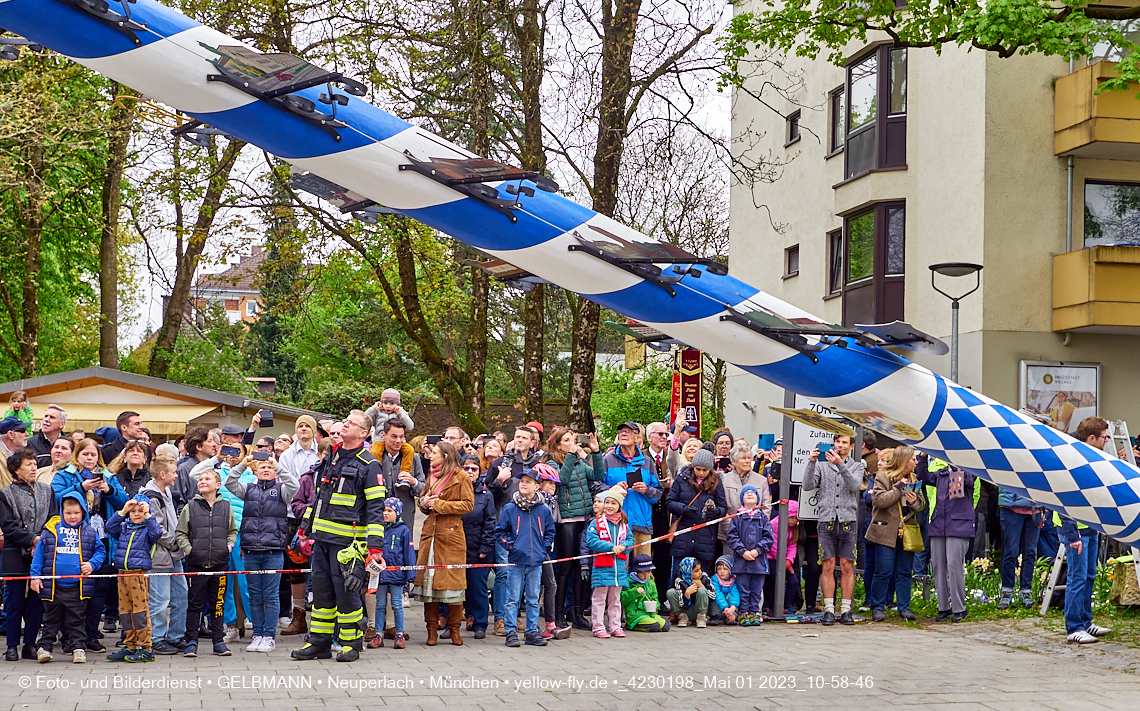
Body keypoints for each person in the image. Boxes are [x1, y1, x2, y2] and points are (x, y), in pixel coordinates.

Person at [292, 411, 384, 662]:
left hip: (348, 543)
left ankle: (350, 644)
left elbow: (376, 508)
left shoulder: (369, 464)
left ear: (363, 434)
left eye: (352, 423)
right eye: (345, 421)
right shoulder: (331, 457)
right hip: (321, 540)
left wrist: (374, 548)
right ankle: (319, 643)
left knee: (347, 593)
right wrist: (304, 529)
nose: (345, 425)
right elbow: (319, 497)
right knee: (321, 594)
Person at [51, 437, 128, 652]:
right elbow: (54, 498)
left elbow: (124, 503)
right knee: (72, 589)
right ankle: (69, 637)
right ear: (77, 455)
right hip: (72, 538)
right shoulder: (65, 474)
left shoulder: (109, 476)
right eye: (85, 454)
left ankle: (92, 635)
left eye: (93, 454)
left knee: (98, 589)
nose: (89, 458)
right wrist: (80, 487)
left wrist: (109, 490)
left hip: (101, 538)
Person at [224, 452, 298, 653]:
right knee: (255, 594)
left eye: (269, 467)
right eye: (262, 467)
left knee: (271, 595)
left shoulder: (282, 490)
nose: (266, 470)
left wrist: (279, 466)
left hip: (273, 550)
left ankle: (269, 636)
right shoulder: (248, 490)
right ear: (255, 471)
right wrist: (242, 464)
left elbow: (295, 485)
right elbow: (230, 483)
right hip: (250, 550)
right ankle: (257, 634)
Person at [30, 493, 105, 663]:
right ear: (61, 512)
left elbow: (100, 551)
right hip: (52, 587)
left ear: (83, 512)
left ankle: (78, 648)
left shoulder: (89, 532)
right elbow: (39, 556)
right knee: (50, 620)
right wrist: (35, 577)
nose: (72, 517)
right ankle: (44, 648)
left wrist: (92, 564)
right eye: (68, 513)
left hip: (77, 587)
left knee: (77, 620)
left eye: (76, 513)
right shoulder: (50, 530)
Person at [413, 441, 474, 646]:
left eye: (435, 453)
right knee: (430, 590)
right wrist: (424, 503)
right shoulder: (432, 476)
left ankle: (455, 630)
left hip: (451, 537)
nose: (430, 456)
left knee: (453, 587)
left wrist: (438, 504)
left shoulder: (461, 477)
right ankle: (431, 632)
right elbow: (423, 501)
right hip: (430, 536)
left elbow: (468, 504)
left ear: (446, 456)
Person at [1060, 417, 1114, 644]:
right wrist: (1071, 533)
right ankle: (1073, 627)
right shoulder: (1072, 458)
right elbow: (1063, 495)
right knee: (1077, 577)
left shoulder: (1091, 456)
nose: (1106, 441)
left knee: (1089, 576)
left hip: (1090, 525)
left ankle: (1085, 621)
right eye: (1103, 437)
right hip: (1076, 528)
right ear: (1091, 438)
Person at [545, 427, 604, 631]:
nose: (572, 442)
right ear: (558, 443)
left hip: (584, 518)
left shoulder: (579, 460)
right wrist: (571, 455)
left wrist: (595, 453)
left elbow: (597, 475)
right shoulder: (551, 461)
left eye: (573, 439)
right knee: (566, 568)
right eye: (567, 440)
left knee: (581, 568)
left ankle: (577, 613)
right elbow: (562, 479)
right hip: (567, 521)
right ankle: (558, 613)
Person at [803, 432, 864, 626]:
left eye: (844, 442)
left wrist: (840, 464)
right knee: (827, 564)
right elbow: (807, 485)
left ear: (851, 446)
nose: (839, 445)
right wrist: (812, 461)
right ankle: (829, 609)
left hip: (848, 520)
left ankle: (845, 609)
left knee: (847, 565)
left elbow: (855, 485)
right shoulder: (822, 464)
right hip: (826, 519)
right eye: (837, 442)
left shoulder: (857, 465)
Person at [0, 449, 56, 661]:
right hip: (15, 554)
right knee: (14, 602)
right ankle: (12, 645)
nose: (34, 467)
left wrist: (42, 540)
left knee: (36, 601)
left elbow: (53, 518)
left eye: (34, 463)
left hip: (42, 553)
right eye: (28, 464)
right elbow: (8, 526)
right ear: (16, 469)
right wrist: (32, 539)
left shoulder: (46, 490)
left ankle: (30, 644)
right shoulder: (5, 494)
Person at [175, 468, 237, 658]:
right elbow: (181, 533)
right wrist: (189, 549)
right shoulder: (190, 506)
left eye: (207, 478)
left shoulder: (226, 506)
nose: (202, 481)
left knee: (218, 604)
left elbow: (232, 530)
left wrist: (229, 545)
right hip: (196, 565)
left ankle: (218, 641)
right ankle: (191, 641)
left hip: (220, 564)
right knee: (195, 605)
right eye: (200, 479)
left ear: (218, 485)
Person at [494, 467, 555, 648]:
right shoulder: (510, 508)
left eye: (528, 482)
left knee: (533, 597)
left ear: (537, 486)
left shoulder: (543, 509)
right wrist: (511, 545)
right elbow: (500, 532)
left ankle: (531, 631)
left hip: (536, 560)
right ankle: (511, 631)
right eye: (522, 481)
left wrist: (543, 547)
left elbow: (550, 532)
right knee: (512, 598)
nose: (524, 484)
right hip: (516, 560)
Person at [488, 426, 538, 636]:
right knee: (505, 572)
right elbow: (487, 491)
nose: (519, 440)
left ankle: (514, 615)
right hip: (506, 526)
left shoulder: (537, 465)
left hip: (530, 527)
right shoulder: (501, 463)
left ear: (532, 442)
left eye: (524, 437)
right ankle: (500, 618)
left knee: (524, 574)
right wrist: (500, 480)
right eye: (517, 436)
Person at [867, 445, 925, 622]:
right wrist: (899, 487)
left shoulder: (914, 478)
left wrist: (914, 502)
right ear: (903, 461)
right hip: (885, 530)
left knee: (905, 571)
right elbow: (879, 500)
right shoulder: (883, 476)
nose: (916, 463)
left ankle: (904, 607)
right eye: (913, 459)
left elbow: (921, 504)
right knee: (883, 570)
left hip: (906, 531)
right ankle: (877, 606)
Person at [103, 495, 162, 663]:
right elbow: (109, 526)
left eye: (140, 511)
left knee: (140, 612)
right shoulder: (123, 528)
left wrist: (148, 514)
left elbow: (157, 533)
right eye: (133, 511)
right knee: (125, 611)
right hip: (122, 573)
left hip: (138, 574)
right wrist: (122, 511)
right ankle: (130, 645)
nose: (136, 514)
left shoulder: (147, 530)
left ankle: (146, 647)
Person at [916, 455, 975, 623]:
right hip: (939, 524)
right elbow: (923, 476)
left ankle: (959, 607)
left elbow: (970, 481)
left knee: (954, 565)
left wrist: (957, 466)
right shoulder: (941, 474)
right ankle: (944, 607)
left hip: (958, 525)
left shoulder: (968, 471)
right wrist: (922, 457)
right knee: (938, 566)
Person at [140, 455, 187, 655]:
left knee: (181, 595)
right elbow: (156, 529)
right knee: (160, 599)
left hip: (173, 554)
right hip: (159, 555)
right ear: (162, 474)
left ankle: (176, 635)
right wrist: (176, 544)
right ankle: (156, 638)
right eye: (173, 472)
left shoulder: (167, 491)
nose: (176, 476)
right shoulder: (150, 496)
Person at [277, 415, 320, 633]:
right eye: (300, 426)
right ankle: (299, 616)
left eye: (307, 426)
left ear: (314, 431)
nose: (304, 429)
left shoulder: (320, 452)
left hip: (319, 518)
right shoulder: (287, 455)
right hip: (293, 516)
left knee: (321, 568)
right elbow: (285, 483)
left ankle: (323, 620)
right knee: (295, 568)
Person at [666, 448, 726, 585]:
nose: (701, 473)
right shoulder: (682, 479)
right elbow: (669, 502)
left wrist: (716, 512)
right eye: (698, 469)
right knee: (678, 572)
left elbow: (723, 508)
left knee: (701, 574)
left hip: (705, 536)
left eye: (705, 470)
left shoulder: (716, 482)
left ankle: (698, 604)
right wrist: (683, 508)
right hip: (683, 533)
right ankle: (676, 601)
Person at [602, 421, 662, 557]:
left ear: (637, 438)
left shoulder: (647, 462)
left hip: (642, 525)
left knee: (643, 571)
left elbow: (658, 493)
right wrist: (613, 489)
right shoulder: (607, 460)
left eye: (628, 432)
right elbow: (595, 488)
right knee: (620, 570)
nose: (623, 434)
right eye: (621, 431)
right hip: (615, 525)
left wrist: (646, 489)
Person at [586, 486, 634, 639]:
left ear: (619, 506)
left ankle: (615, 626)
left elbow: (630, 540)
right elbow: (592, 541)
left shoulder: (624, 524)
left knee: (615, 599)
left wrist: (624, 546)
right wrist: (611, 547)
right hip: (602, 566)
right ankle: (598, 627)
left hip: (618, 568)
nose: (609, 506)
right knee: (599, 598)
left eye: (613, 503)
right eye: (607, 502)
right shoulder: (596, 522)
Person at [727, 486, 775, 626]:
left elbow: (769, 538)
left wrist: (757, 551)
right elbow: (732, 537)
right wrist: (743, 551)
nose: (749, 494)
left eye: (753, 493)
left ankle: (754, 613)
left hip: (758, 563)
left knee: (756, 589)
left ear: (758, 499)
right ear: (741, 499)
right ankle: (744, 613)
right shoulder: (737, 518)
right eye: (746, 493)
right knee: (742, 589)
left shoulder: (763, 518)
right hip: (741, 562)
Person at [370, 498, 415, 650]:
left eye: (390, 511)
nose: (385, 514)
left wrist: (410, 573)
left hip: (397, 575)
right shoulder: (378, 529)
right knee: (380, 604)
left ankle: (400, 634)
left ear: (397, 513)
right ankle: (378, 634)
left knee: (397, 604)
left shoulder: (403, 531)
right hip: (381, 575)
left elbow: (409, 553)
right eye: (384, 510)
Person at [460, 454, 496, 640]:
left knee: (478, 587)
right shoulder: (455, 491)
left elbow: (490, 522)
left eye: (474, 469)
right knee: (458, 587)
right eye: (466, 468)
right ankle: (457, 622)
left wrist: (485, 547)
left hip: (478, 548)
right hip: (458, 547)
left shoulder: (485, 494)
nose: (470, 472)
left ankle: (481, 623)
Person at [997, 468, 1042, 610]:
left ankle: (1025, 592)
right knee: (1011, 551)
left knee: (1030, 552)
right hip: (1011, 507)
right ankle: (1007, 591)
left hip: (1035, 509)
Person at [720, 443, 771, 559]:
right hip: (729, 536)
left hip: (756, 539)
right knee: (729, 570)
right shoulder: (724, 480)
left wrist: (758, 530)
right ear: (733, 461)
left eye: (749, 458)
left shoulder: (761, 481)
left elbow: (766, 507)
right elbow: (722, 508)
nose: (748, 461)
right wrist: (734, 531)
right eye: (743, 458)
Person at [765, 499, 800, 617]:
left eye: (796, 518)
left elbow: (793, 545)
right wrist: (782, 561)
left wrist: (789, 561)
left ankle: (786, 606)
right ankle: (771, 606)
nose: (794, 521)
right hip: (771, 557)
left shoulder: (794, 528)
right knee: (777, 579)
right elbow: (772, 544)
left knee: (793, 581)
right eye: (792, 517)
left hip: (785, 560)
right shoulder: (775, 524)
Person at [621, 554, 670, 632]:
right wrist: (634, 592)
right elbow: (623, 599)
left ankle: (647, 623)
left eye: (648, 572)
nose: (646, 575)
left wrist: (656, 605)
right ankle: (631, 625)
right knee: (654, 626)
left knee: (666, 626)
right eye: (643, 572)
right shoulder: (629, 582)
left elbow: (655, 598)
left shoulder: (651, 583)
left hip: (650, 614)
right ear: (636, 571)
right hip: (635, 614)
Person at [175, 428, 216, 514]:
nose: (214, 445)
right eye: (210, 441)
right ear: (199, 447)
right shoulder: (183, 469)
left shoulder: (213, 467)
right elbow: (178, 501)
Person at [667, 557, 717, 628]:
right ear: (688, 572)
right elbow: (682, 604)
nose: (700, 572)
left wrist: (702, 586)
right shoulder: (680, 581)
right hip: (686, 610)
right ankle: (682, 618)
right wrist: (687, 594)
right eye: (696, 571)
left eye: (700, 569)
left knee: (702, 590)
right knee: (670, 592)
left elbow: (713, 596)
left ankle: (701, 618)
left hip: (701, 610)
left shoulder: (704, 577)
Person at [26, 405, 66, 469]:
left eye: (52, 417)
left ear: (62, 424)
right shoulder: (29, 444)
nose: (46, 419)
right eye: (46, 416)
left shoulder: (69, 445)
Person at [711, 556, 740, 625]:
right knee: (714, 596)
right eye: (719, 569)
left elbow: (735, 594)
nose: (722, 572)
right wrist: (725, 608)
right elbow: (718, 594)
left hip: (730, 610)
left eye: (725, 569)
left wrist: (732, 608)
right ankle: (714, 616)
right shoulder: (714, 580)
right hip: (720, 608)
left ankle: (730, 617)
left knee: (730, 596)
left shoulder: (734, 581)